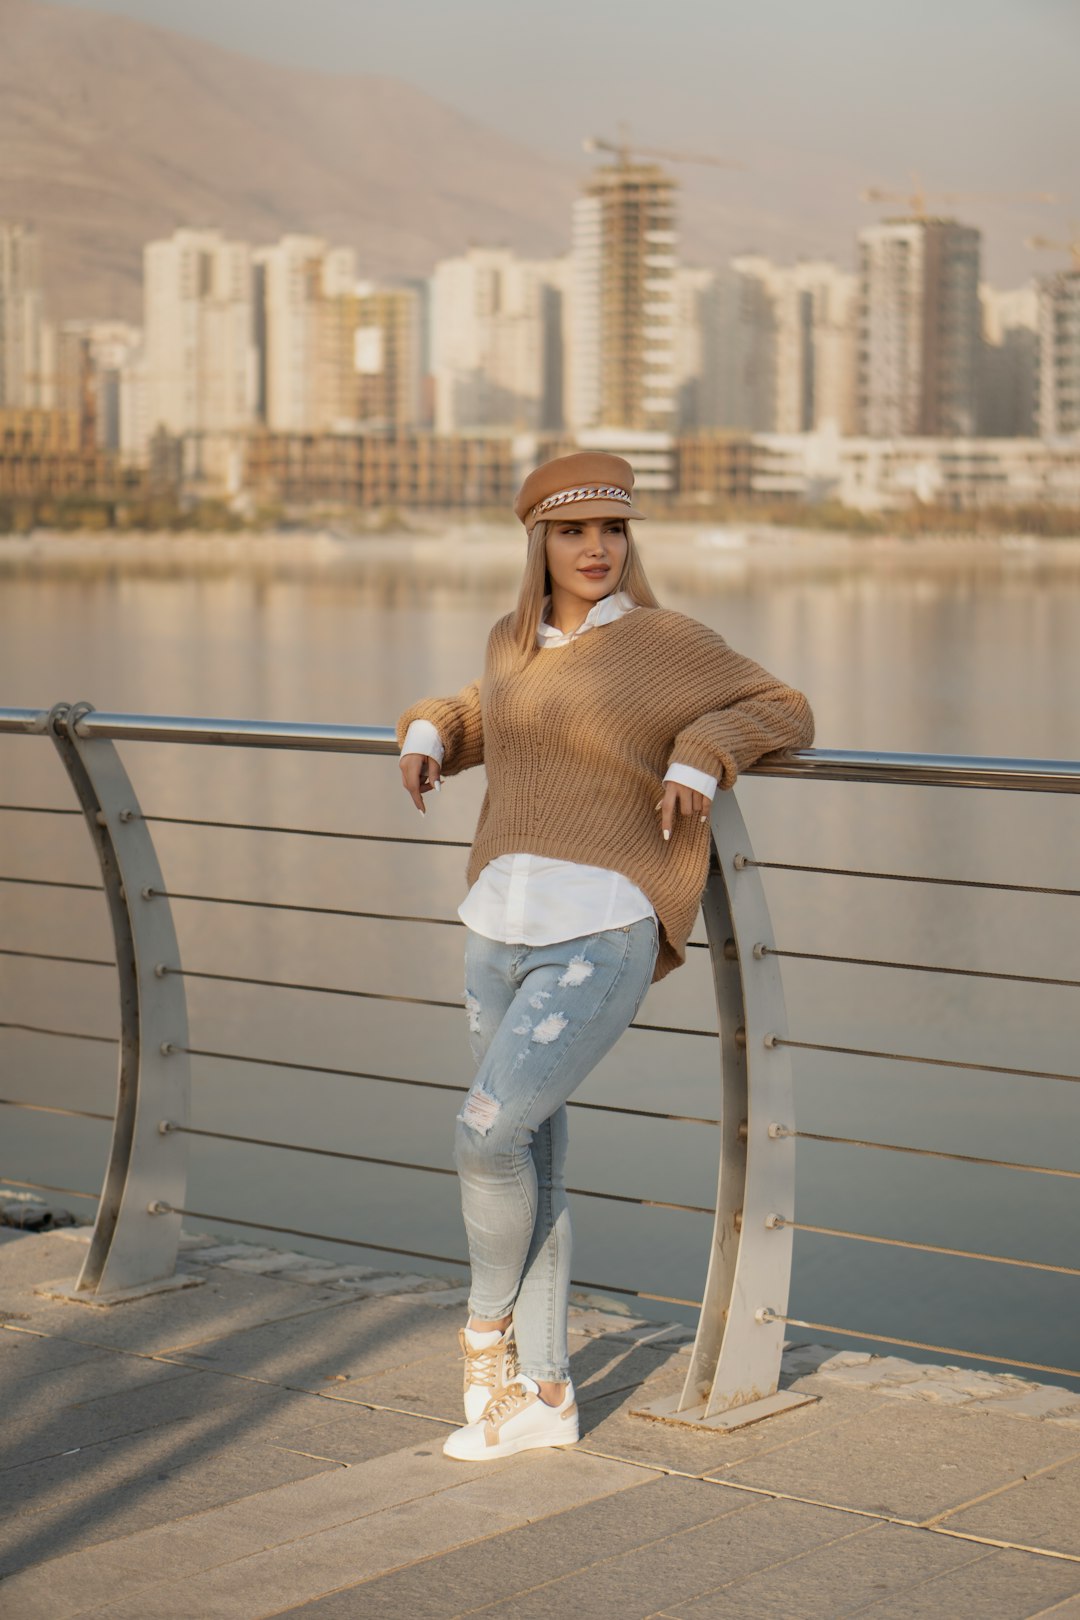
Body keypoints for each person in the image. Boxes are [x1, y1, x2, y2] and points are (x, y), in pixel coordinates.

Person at [397, 452, 813, 1463]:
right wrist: (428, 732)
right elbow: (492, 710)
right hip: (498, 922)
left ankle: (483, 1336)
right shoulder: (513, 640)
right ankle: (545, 1394)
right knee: (530, 1155)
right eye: (574, 532)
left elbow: (784, 710)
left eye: (613, 531)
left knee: (486, 1134)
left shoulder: (666, 642)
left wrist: (698, 753)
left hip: (603, 923)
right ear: (538, 540)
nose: (596, 550)